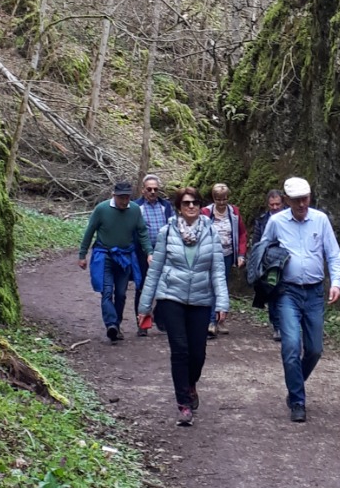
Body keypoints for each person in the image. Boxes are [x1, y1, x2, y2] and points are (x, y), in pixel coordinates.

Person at [138, 187, 229, 426]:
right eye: (186, 203)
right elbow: (155, 270)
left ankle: (190, 385)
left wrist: (222, 302)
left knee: (198, 353)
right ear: (179, 207)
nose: (191, 206)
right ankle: (183, 404)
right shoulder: (167, 232)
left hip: (201, 299)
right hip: (171, 297)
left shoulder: (211, 232)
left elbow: (218, 271)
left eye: (195, 203)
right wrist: (144, 306)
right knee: (180, 350)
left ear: (200, 206)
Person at [263, 175, 340, 423]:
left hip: (315, 292)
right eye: (296, 200)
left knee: (315, 349)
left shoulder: (320, 220)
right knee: (290, 346)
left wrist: (336, 283)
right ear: (287, 200)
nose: (301, 204)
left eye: (305, 199)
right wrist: (266, 279)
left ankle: (294, 384)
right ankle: (298, 401)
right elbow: (262, 251)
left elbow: (333, 254)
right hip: (287, 292)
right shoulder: (276, 222)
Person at [78, 179, 151, 343]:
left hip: (125, 258)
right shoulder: (102, 209)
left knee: (121, 294)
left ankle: (116, 325)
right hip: (105, 256)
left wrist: (149, 252)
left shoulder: (135, 210)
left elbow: (142, 232)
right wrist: (82, 255)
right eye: (121, 197)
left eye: (127, 197)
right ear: (114, 195)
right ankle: (111, 324)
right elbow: (90, 231)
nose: (124, 201)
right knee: (107, 291)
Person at [202, 183, 246, 337]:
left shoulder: (234, 212)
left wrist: (241, 254)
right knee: (211, 286)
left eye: (224, 199)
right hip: (210, 254)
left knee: (221, 287)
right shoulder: (206, 212)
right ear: (213, 198)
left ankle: (219, 321)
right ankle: (211, 321)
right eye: (218, 199)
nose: (221, 202)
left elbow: (242, 234)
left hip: (227, 255)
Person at [135, 174, 174, 334]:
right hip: (142, 252)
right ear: (143, 190)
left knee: (166, 285)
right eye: (149, 189)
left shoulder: (166, 206)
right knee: (142, 286)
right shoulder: (136, 207)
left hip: (165, 251)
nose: (152, 192)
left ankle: (159, 317)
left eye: (155, 189)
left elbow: (173, 225)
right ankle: (142, 324)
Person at [251, 188, 285, 340]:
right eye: (272, 205)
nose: (275, 207)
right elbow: (257, 242)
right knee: (272, 292)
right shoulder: (262, 221)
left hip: (288, 260)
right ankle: (277, 326)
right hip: (270, 262)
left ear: (283, 203)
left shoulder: (289, 218)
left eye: (278, 204)